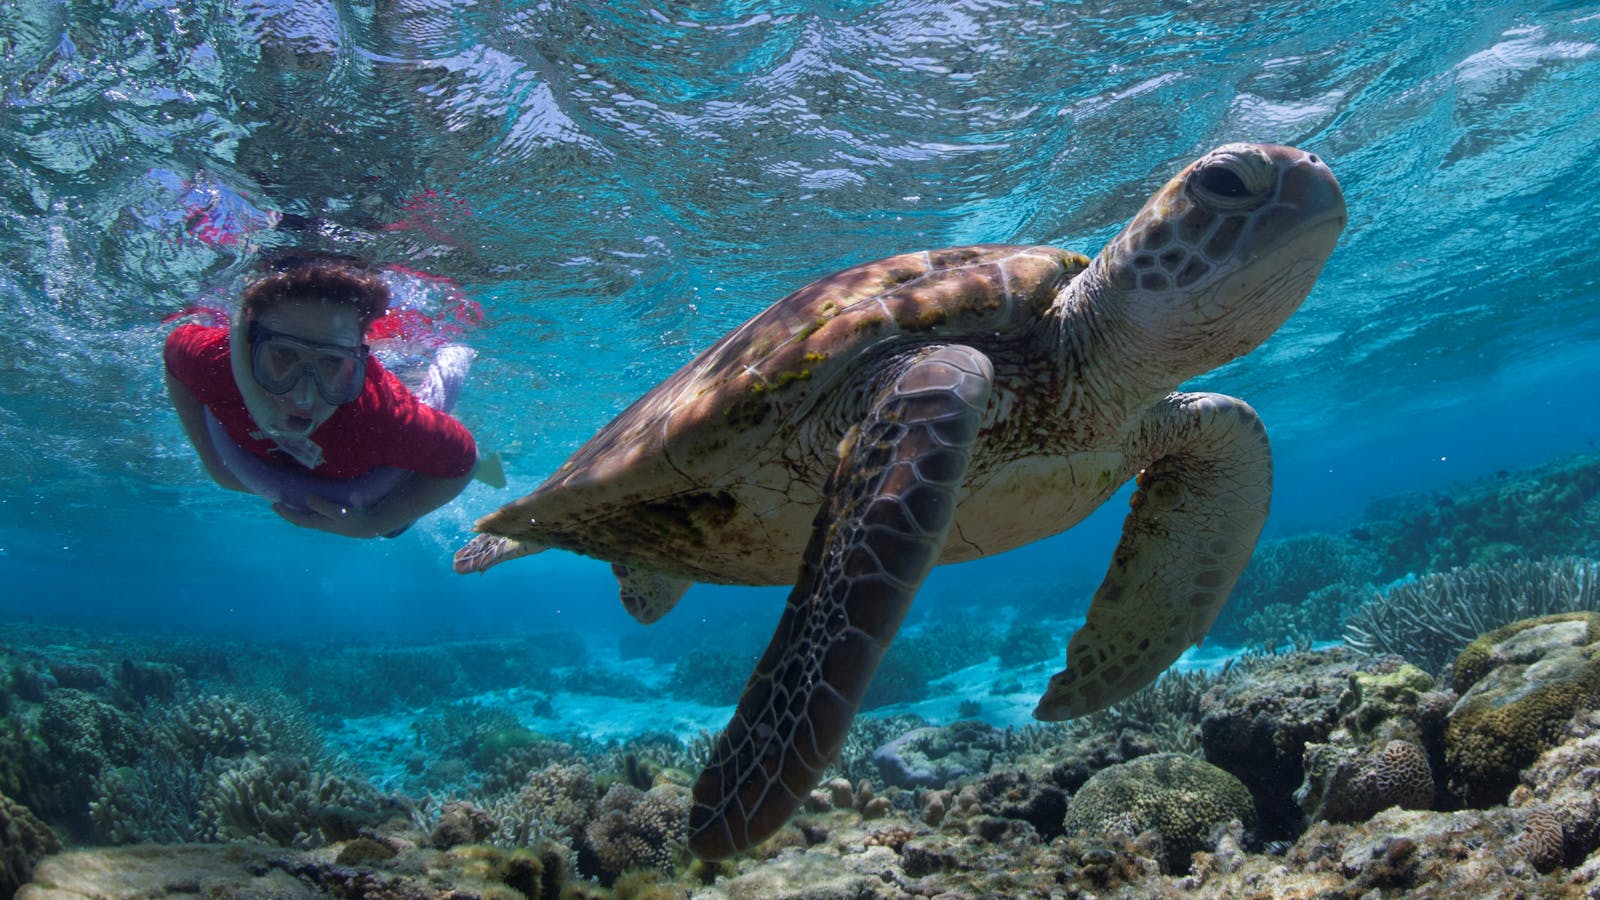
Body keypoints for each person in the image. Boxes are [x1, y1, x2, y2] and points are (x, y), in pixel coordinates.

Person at [164, 256, 478, 538]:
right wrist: (215, 465)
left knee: (394, 528)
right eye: (283, 355)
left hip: (374, 473)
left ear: (360, 361)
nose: (304, 395)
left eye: (331, 362)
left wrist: (375, 523)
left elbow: (463, 462)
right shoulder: (214, 363)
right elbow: (175, 354)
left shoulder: (380, 416)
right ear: (248, 348)